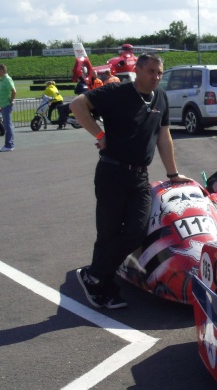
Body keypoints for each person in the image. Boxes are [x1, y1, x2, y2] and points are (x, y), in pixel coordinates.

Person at [70, 53, 193, 309]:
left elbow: (164, 136)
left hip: (139, 176)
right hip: (112, 172)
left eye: (159, 73)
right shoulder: (116, 92)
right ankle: (102, 287)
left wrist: (173, 174)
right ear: (137, 69)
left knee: (136, 231)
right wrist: (100, 133)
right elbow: (77, 105)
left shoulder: (161, 97)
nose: (156, 77)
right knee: (108, 232)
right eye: (151, 71)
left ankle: (93, 275)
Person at [0, 64, 16, 152]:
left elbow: (14, 91)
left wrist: (11, 101)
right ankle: (9, 144)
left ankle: (9, 145)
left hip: (6, 105)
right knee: (7, 125)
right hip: (3, 105)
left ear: (2, 71)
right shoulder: (2, 80)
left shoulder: (7, 79)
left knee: (8, 126)